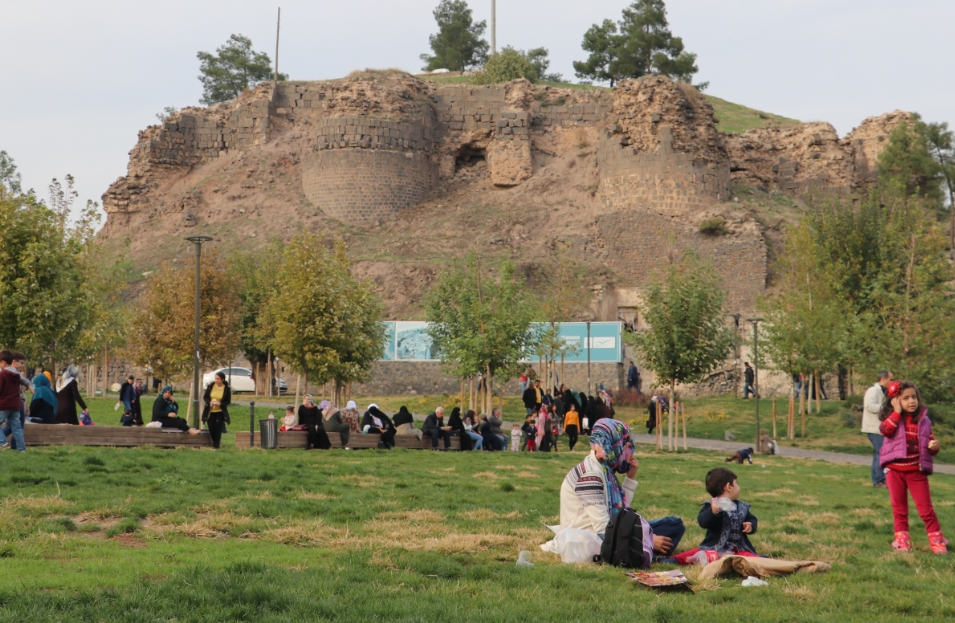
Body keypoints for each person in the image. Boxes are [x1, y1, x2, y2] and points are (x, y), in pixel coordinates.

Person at [558, 419, 685, 558]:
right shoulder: (590, 475)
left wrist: (630, 477)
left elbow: (620, 514)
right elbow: (603, 529)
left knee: (673, 524)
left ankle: (644, 550)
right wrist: (647, 539)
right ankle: (644, 551)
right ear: (613, 445)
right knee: (657, 534)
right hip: (589, 541)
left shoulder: (605, 469)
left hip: (609, 532)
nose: (630, 454)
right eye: (626, 446)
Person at [879, 380, 947, 554]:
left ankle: (937, 541)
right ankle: (903, 542)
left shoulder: (923, 421)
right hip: (894, 471)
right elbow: (885, 430)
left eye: (914, 397)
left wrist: (934, 447)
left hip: (916, 471)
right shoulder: (893, 419)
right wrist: (896, 412)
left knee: (926, 509)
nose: (911, 401)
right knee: (899, 509)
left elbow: (929, 442)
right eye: (905, 398)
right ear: (896, 400)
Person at [663, 468, 759, 565]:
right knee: (694, 554)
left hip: (738, 549)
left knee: (751, 559)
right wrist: (712, 512)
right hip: (714, 549)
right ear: (729, 487)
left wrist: (751, 525)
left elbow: (751, 518)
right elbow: (702, 522)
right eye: (736, 483)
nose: (738, 487)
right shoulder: (711, 506)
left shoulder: (742, 507)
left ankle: (761, 559)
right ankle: (673, 560)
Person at [862, 370, 892, 488]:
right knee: (881, 453)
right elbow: (869, 406)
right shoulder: (873, 390)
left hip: (881, 428)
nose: (892, 382)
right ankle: (879, 480)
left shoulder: (885, 392)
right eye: (890, 379)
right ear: (884, 379)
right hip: (874, 428)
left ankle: (879, 480)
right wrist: (886, 408)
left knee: (879, 453)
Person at [1, 352, 31, 450]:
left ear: (3, 362)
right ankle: (21, 449)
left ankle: (2, 442)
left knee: (13, 426)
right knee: (17, 427)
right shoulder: (17, 375)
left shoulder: (3, 374)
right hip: (16, 404)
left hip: (5, 404)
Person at [201, 371, 232, 449]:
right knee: (211, 427)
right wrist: (209, 402)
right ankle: (214, 443)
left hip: (219, 411)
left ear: (222, 379)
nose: (216, 380)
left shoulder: (226, 389)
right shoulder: (211, 386)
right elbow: (205, 397)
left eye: (218, 379)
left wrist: (220, 404)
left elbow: (228, 401)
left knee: (217, 428)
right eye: (215, 378)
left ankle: (216, 445)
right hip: (210, 411)